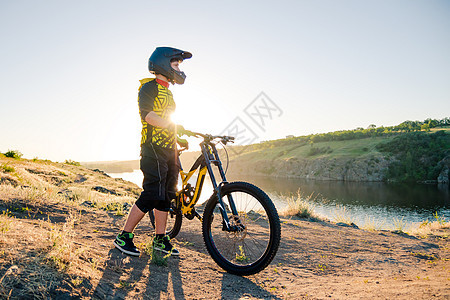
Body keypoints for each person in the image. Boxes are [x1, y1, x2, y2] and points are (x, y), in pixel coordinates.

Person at [113, 46, 192, 257]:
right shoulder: (149, 88)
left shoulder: (169, 92)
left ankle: (160, 238)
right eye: (175, 64)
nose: (178, 68)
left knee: (167, 195)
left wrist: (177, 136)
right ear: (164, 64)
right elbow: (148, 116)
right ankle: (124, 236)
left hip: (169, 149)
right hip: (153, 148)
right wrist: (172, 126)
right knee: (152, 193)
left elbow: (167, 121)